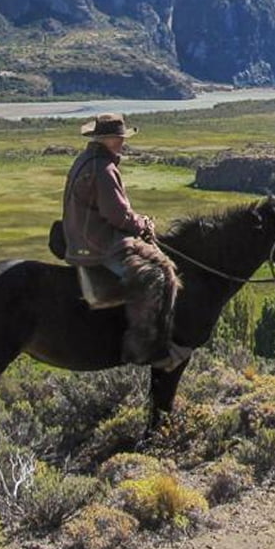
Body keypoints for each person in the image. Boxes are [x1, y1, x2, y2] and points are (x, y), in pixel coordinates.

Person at [62, 113, 185, 368]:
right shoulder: (103, 168)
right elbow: (117, 214)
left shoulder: (87, 160)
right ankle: (144, 349)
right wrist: (144, 224)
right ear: (104, 139)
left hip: (81, 236)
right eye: (117, 138)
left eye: (121, 137)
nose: (121, 142)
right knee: (156, 276)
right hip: (99, 243)